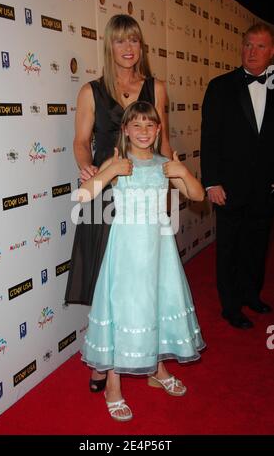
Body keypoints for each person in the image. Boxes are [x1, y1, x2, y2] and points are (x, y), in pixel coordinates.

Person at [76, 101, 206, 421]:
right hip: (126, 251)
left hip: (159, 249)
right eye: (137, 125)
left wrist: (183, 172)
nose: (144, 132)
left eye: (150, 126)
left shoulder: (165, 164)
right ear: (125, 130)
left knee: (157, 304)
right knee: (126, 308)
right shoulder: (119, 163)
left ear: (159, 129)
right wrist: (108, 171)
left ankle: (156, 369)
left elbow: (199, 196)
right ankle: (113, 384)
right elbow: (84, 195)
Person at [64, 14, 172, 392]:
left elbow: (164, 144)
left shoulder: (155, 88)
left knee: (140, 280)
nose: (129, 49)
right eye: (121, 42)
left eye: (135, 42)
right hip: (106, 191)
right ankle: (102, 358)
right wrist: (86, 165)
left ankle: (143, 350)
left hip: (142, 194)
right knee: (102, 277)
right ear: (109, 46)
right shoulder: (91, 90)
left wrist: (169, 185)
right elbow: (81, 140)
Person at [200, 22, 274, 329]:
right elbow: (210, 138)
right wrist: (211, 181)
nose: (251, 51)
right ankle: (230, 305)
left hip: (266, 186)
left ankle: (250, 295)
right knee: (229, 247)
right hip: (228, 186)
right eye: (247, 44)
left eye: (259, 46)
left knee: (257, 244)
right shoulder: (220, 86)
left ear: (271, 52)